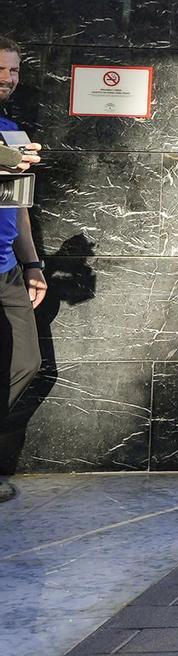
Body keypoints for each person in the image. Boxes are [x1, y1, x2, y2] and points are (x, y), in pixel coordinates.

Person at [0, 38, 46, 503]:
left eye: (14, 71)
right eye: (1, 69)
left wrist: (32, 262)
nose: (8, 79)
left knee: (26, 363)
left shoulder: (11, 129)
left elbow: (19, 205)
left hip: (9, 269)